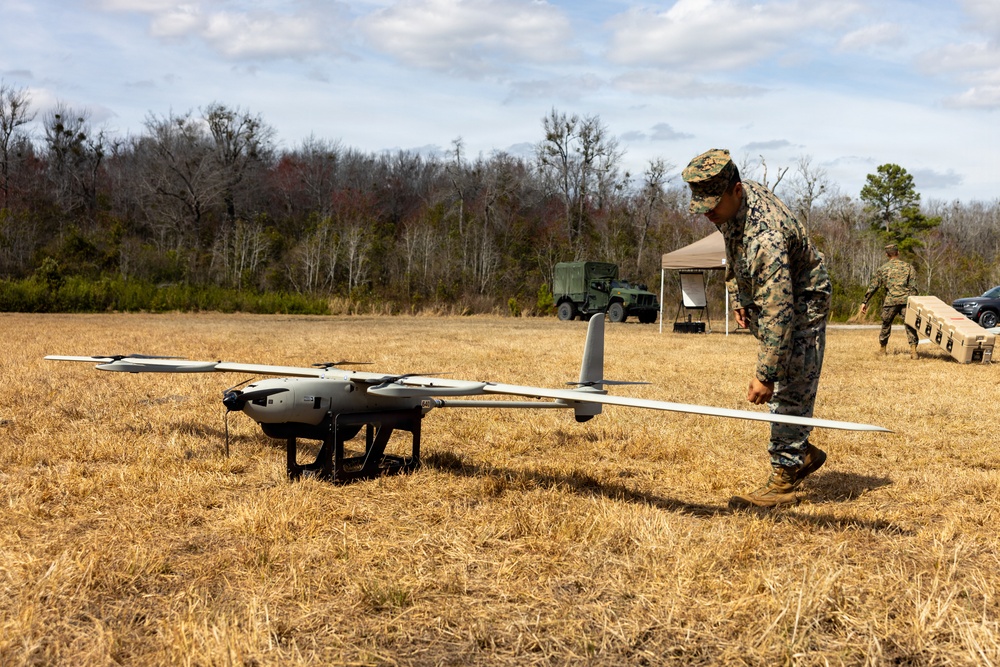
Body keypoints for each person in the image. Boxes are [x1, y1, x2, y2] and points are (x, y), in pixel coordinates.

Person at [682, 148, 831, 509]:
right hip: (769, 294)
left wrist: (765, 374)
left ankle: (783, 479)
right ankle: (800, 451)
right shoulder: (732, 204)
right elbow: (733, 247)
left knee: (789, 383)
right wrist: (739, 295)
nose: (708, 213)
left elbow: (781, 308)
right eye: (701, 204)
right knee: (782, 370)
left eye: (712, 204)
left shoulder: (767, 236)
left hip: (802, 300)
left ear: (735, 190)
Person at [860, 244, 919, 359]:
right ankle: (913, 351)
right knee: (910, 325)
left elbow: (873, 286)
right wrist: (914, 303)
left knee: (886, 325)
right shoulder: (908, 267)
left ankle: (883, 350)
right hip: (906, 301)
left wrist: (865, 301)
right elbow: (914, 287)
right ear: (898, 252)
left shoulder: (883, 269)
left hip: (890, 301)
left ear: (886, 254)